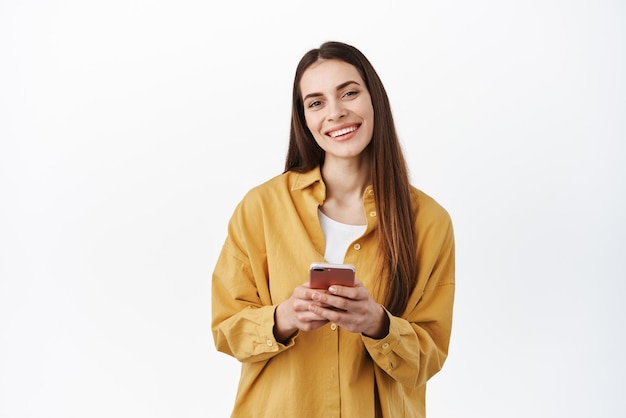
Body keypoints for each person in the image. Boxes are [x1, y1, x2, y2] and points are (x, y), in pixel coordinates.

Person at [212, 41, 455, 418]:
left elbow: (429, 356)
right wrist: (284, 318)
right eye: (316, 102)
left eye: (349, 93)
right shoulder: (261, 208)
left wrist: (378, 324)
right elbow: (226, 329)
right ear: (305, 119)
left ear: (374, 99)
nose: (336, 113)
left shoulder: (429, 222)